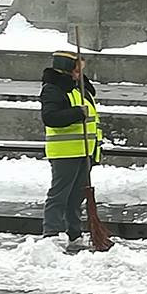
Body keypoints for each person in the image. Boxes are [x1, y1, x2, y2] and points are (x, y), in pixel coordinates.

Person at [40, 50, 102, 248]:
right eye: (76, 70)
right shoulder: (53, 89)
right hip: (65, 151)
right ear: (66, 70)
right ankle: (51, 232)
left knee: (76, 196)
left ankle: (74, 232)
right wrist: (76, 113)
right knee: (60, 194)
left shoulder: (80, 88)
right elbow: (50, 117)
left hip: (85, 150)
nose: (79, 74)